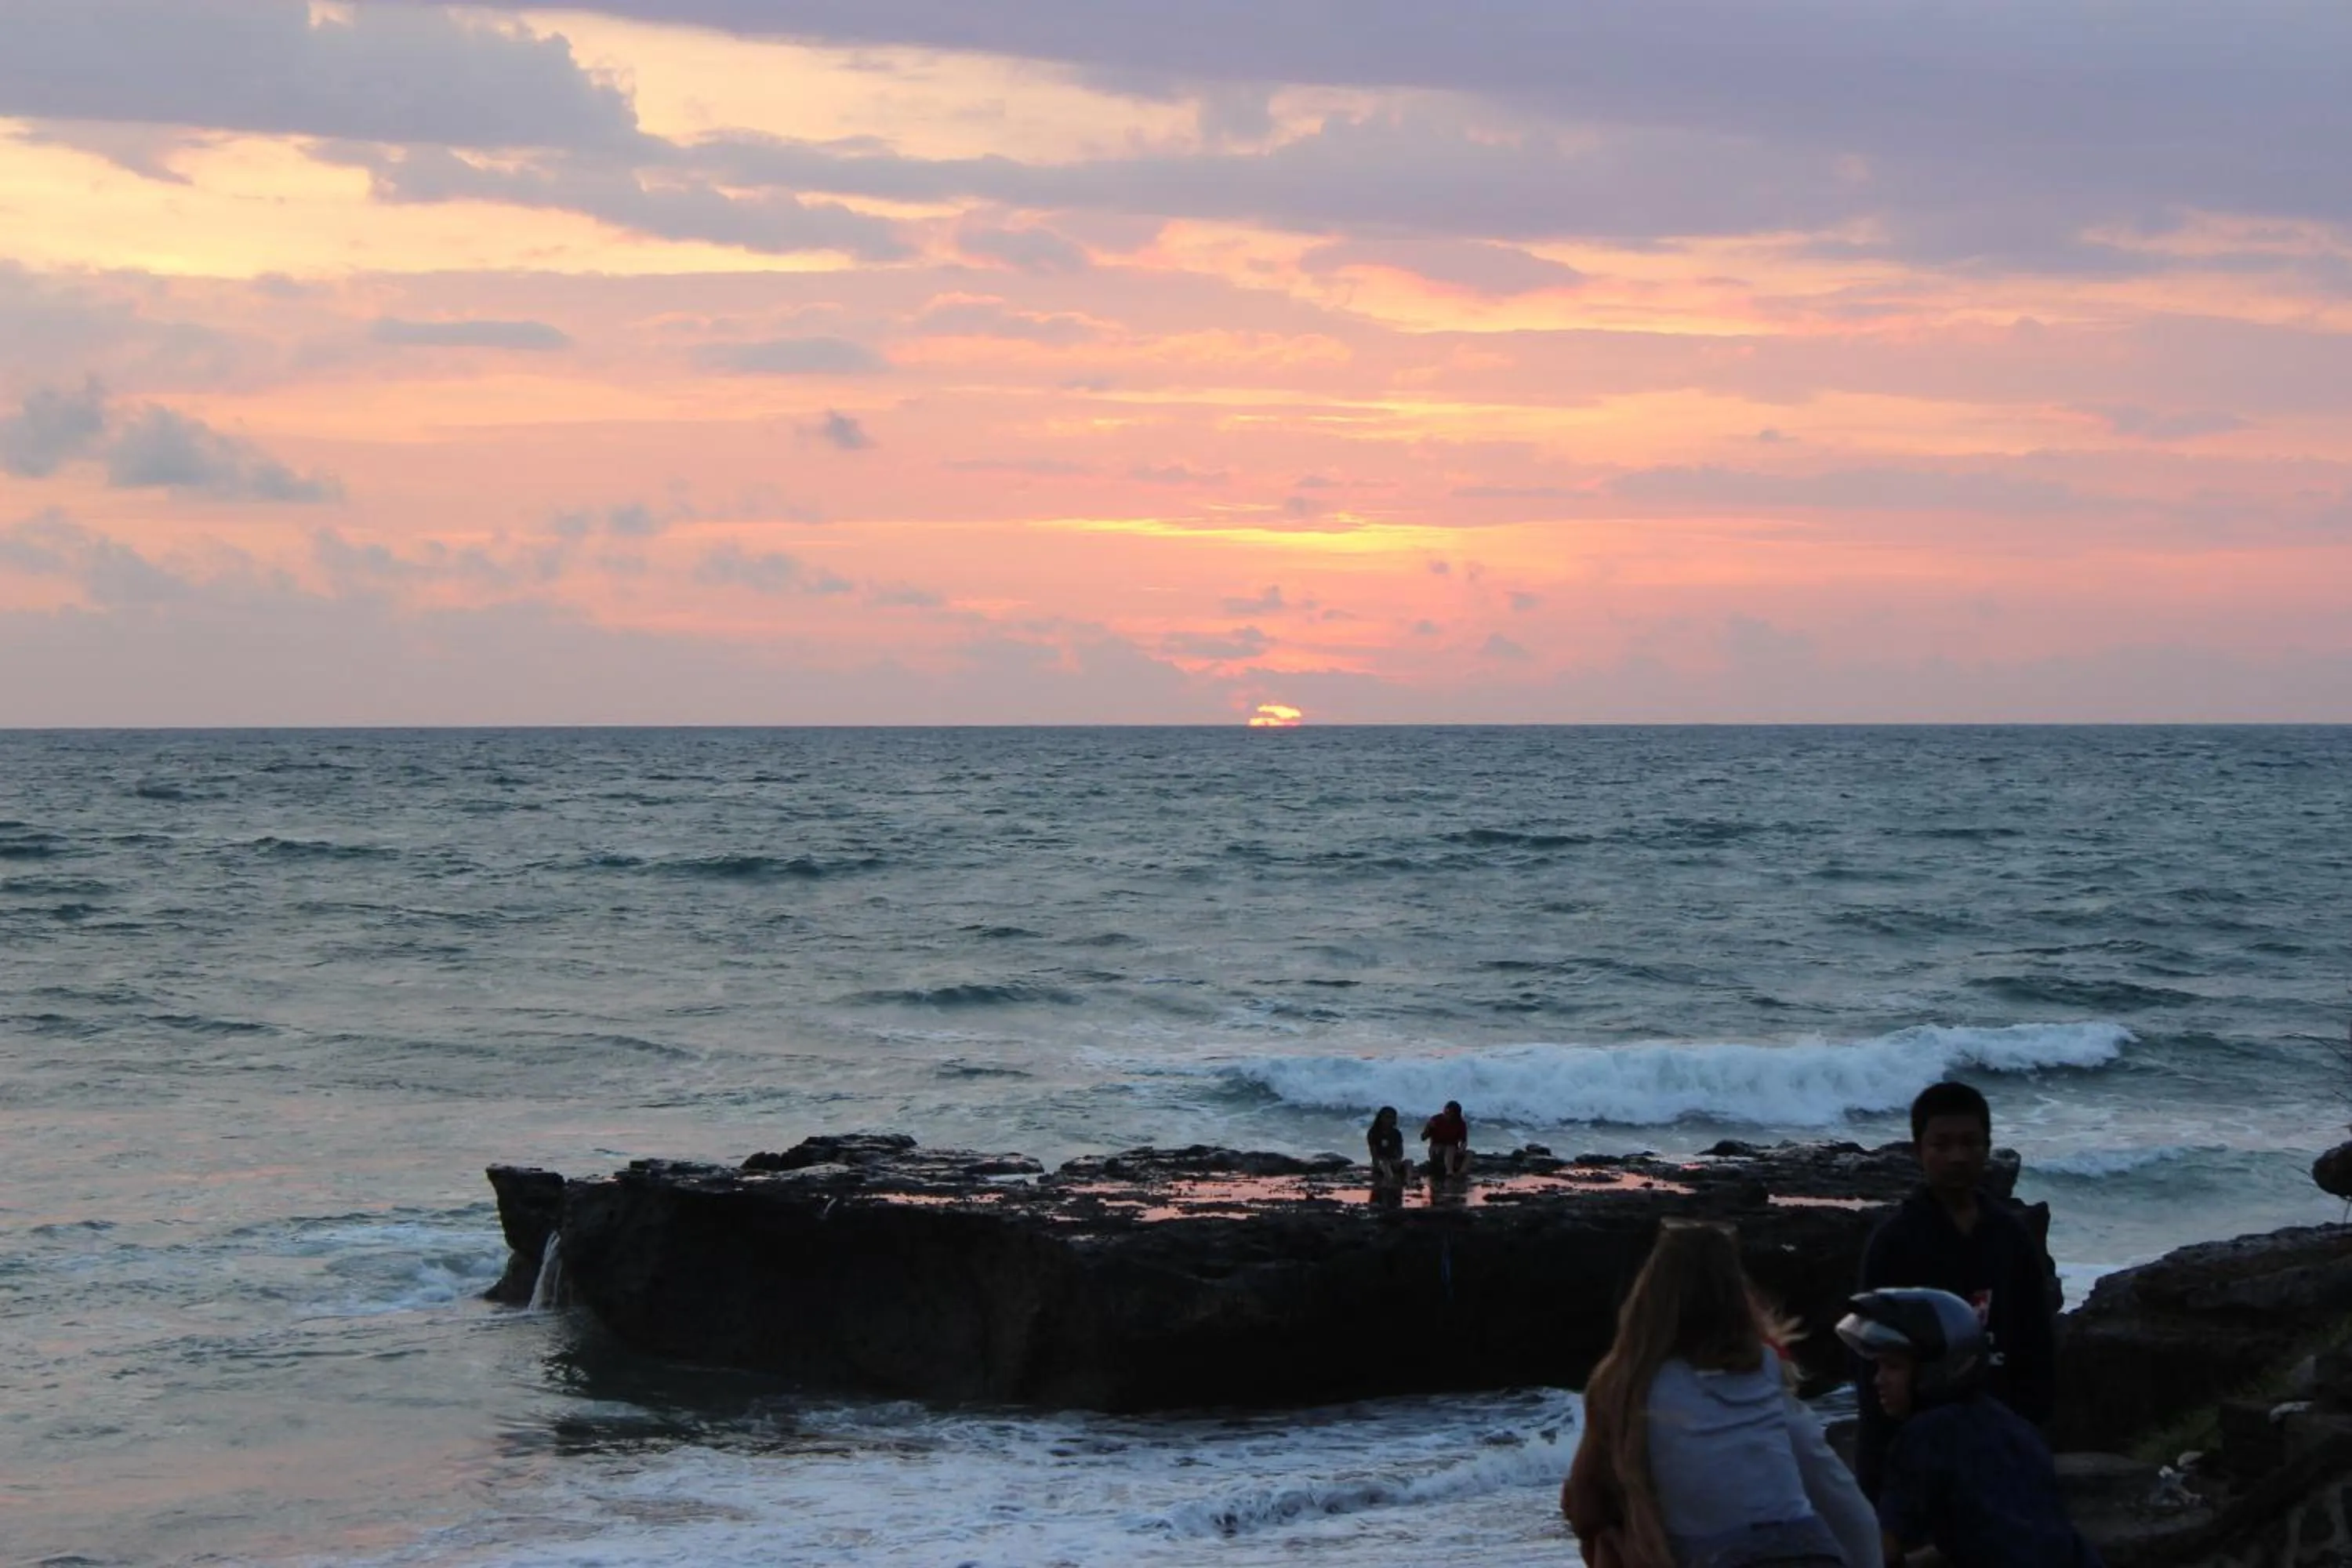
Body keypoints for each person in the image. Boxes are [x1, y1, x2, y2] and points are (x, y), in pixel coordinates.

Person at [1563, 1222, 1881, 1568]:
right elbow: (1831, 1485)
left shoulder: (1626, 1382)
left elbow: (1584, 1504)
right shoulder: (1762, 1368)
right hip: (1806, 1549)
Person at [1851, 1080, 2058, 1500]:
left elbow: (2037, 1340)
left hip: (2001, 1437)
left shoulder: (2010, 1236)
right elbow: (1868, 1358)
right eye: (1941, 1145)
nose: (1957, 1156)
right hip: (1915, 1443)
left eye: (1970, 1143)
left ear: (1987, 1146)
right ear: (1917, 1151)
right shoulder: (1895, 1242)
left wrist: (2029, 1426)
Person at [1837, 1287, 2102, 1568]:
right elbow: (1991, 1540)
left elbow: (1882, 1550)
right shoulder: (2009, 1424)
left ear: (1936, 1370)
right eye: (1878, 1367)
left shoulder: (1925, 1435)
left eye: (1893, 1367)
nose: (1878, 1380)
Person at [1367, 1107, 1410, 1201]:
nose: (1389, 1120)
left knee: (1409, 1162)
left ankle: (1409, 1182)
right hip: (1380, 1162)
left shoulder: (1397, 1133)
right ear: (1381, 1118)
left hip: (1393, 1161)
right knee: (1385, 1163)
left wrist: (1397, 1160)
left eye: (1392, 1118)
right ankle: (1390, 1181)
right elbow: (1374, 1153)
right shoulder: (1373, 1132)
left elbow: (1400, 1151)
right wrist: (1376, 1165)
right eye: (1387, 1117)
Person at [1420, 1100, 1469, 1179]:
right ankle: (1449, 1172)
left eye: (1450, 1113)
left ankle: (1462, 1172)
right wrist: (1428, 1128)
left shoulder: (1460, 1123)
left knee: (1470, 1153)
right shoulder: (1436, 1120)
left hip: (1453, 1152)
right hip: (1437, 1150)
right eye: (1446, 1112)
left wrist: (1462, 1149)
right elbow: (1423, 1138)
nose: (1447, 1115)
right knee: (1450, 1147)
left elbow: (1464, 1141)